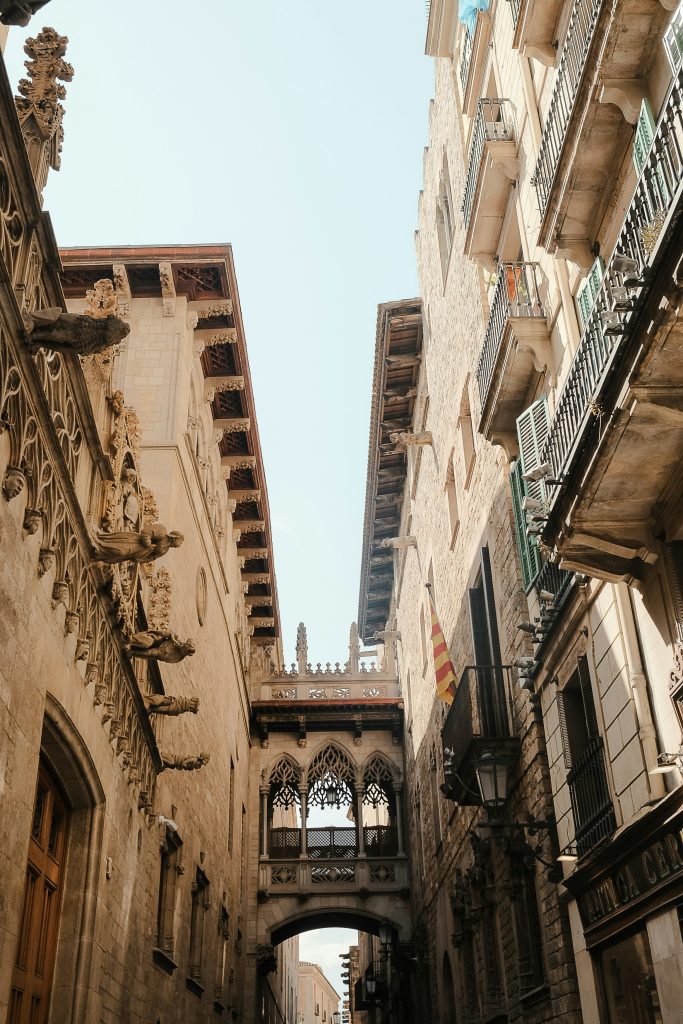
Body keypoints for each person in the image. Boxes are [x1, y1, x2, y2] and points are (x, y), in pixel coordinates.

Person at [92, 525, 183, 565]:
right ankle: (100, 543)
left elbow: (152, 557)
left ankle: (100, 553)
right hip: (135, 542)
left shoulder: (164, 550)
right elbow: (146, 532)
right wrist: (148, 544)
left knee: (114, 558)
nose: (178, 546)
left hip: (139, 553)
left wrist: (140, 559)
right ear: (175, 538)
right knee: (120, 551)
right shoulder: (162, 531)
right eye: (179, 542)